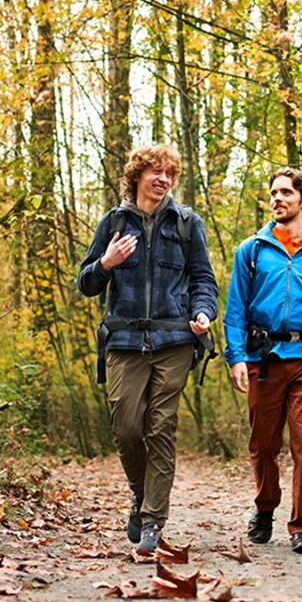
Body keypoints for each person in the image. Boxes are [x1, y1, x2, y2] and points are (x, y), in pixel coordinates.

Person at [77, 145, 221, 556]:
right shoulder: (114, 222)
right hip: (123, 341)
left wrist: (203, 312)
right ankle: (141, 497)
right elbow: (86, 284)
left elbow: (204, 281)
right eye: (154, 171)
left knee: (161, 427)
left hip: (174, 340)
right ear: (137, 176)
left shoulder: (187, 223)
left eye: (169, 173)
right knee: (126, 427)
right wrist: (105, 262)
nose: (162, 179)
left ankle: (154, 520)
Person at [224, 168, 302, 555]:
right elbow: (235, 311)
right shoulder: (251, 251)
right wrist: (236, 357)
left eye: (285, 192)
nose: (277, 198)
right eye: (274, 192)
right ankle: (265, 508)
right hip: (263, 358)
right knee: (263, 444)